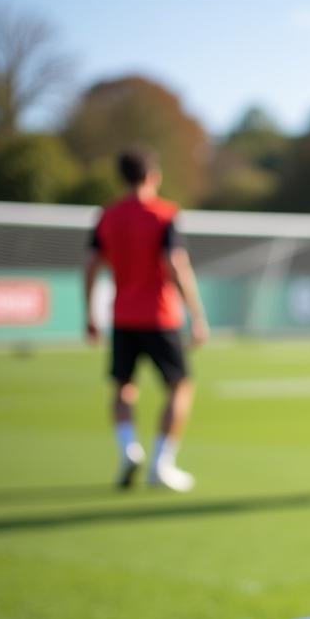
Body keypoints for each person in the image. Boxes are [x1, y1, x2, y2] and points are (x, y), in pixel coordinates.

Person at [84, 148, 209, 492]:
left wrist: (89, 315)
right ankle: (161, 464)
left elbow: (91, 265)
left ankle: (128, 449)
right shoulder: (162, 214)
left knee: (123, 386)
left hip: (121, 314)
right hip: (159, 314)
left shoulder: (107, 215)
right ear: (153, 175)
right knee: (180, 386)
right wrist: (196, 314)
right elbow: (175, 264)